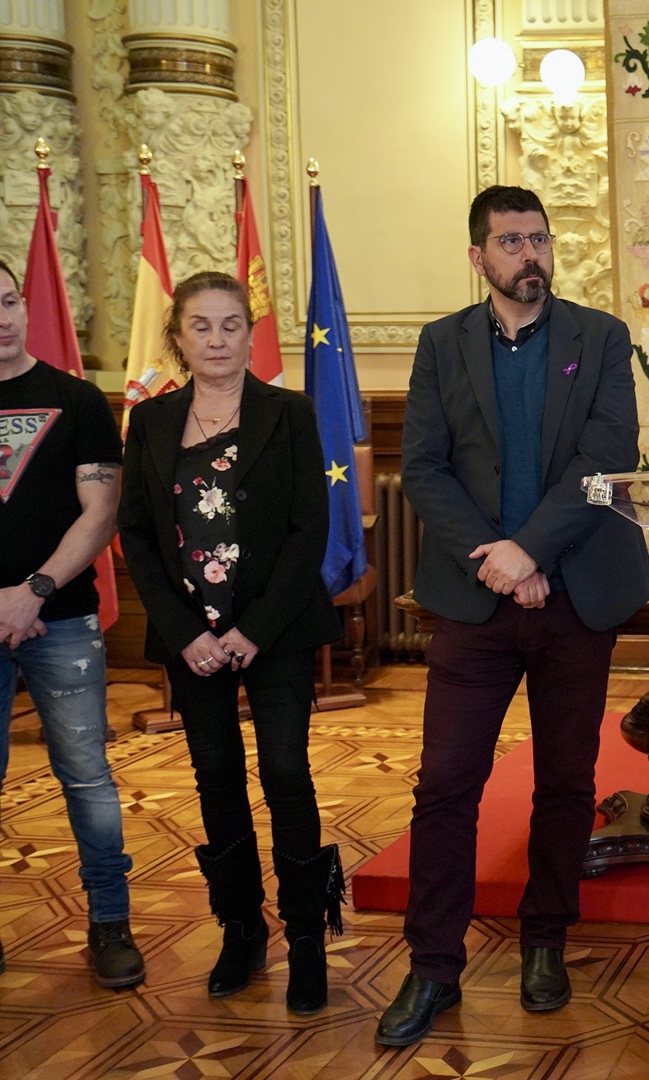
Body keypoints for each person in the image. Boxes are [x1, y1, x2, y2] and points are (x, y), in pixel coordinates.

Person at [376, 185, 649, 1046]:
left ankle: (545, 941)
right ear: (478, 257)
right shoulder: (441, 343)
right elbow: (424, 467)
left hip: (575, 594)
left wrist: (529, 552)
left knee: (566, 782)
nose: (530, 254)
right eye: (510, 242)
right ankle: (432, 966)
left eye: (539, 239)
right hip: (474, 600)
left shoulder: (601, 337)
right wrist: (496, 561)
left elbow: (606, 459)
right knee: (446, 785)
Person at [119, 271, 344, 1013]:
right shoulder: (151, 421)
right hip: (193, 641)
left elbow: (309, 529)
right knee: (215, 775)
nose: (217, 340)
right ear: (177, 338)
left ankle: (306, 937)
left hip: (273, 630)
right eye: (201, 326)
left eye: (230, 325)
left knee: (285, 772)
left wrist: (253, 630)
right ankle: (241, 929)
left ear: (250, 334)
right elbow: (138, 536)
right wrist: (187, 633)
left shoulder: (289, 412)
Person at [0, 259, 144, 988]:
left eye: (8, 301)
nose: (1, 319)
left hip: (61, 617)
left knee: (87, 778)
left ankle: (110, 923)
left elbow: (101, 512)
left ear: (25, 306)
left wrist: (32, 591)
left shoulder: (77, 399)